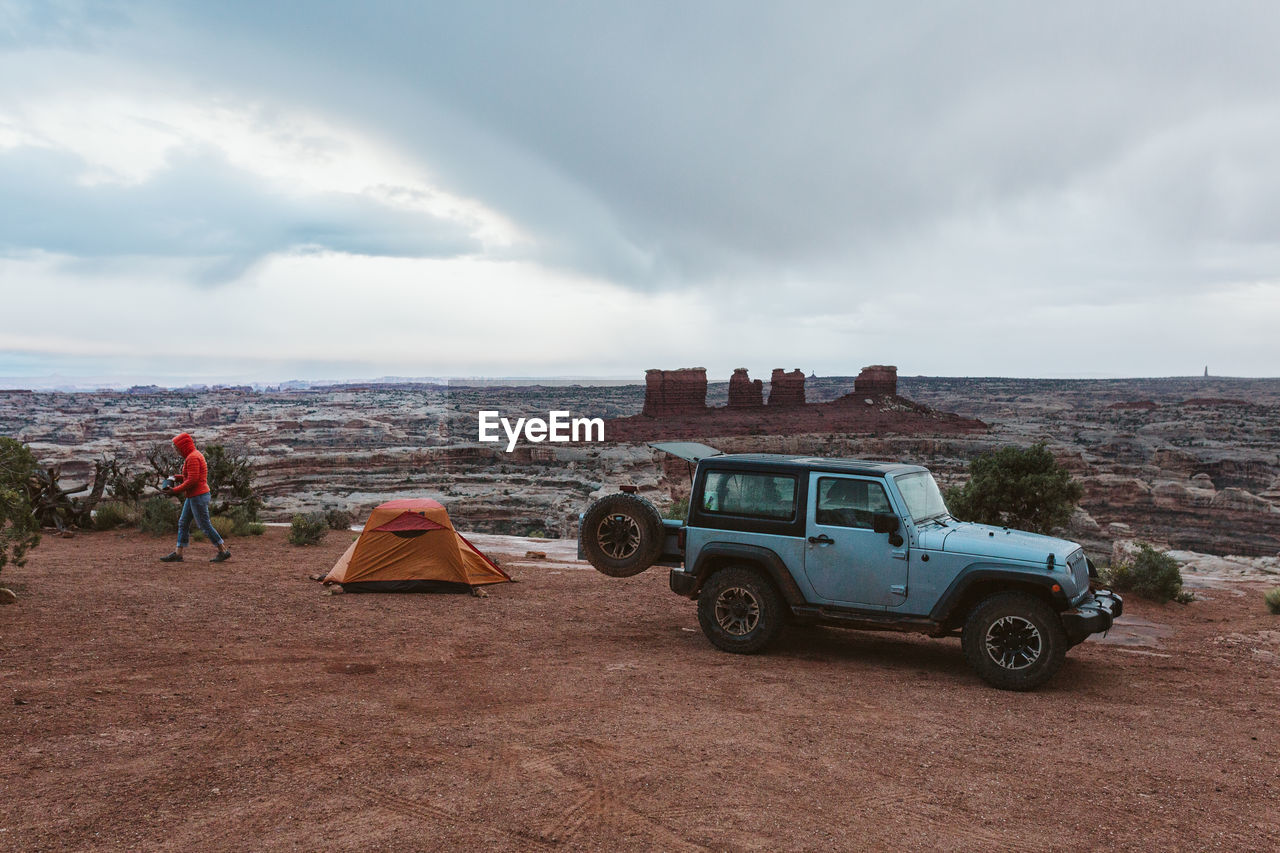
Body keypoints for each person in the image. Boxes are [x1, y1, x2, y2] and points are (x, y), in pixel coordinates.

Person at [158, 433, 231, 563]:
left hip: (198, 496)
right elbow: (190, 476)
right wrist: (176, 477)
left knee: (204, 525)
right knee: (183, 522)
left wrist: (174, 490)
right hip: (194, 496)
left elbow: (192, 480)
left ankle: (223, 550)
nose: (176, 451)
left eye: (177, 448)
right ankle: (178, 553)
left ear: (183, 446)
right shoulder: (193, 455)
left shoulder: (192, 458)